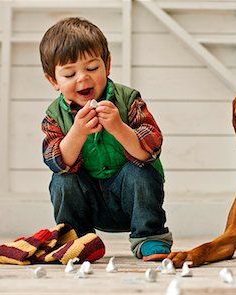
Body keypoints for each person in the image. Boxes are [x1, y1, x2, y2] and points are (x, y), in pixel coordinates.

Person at [39, 17, 172, 261]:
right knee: (62, 180)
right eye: (69, 74)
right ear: (53, 81)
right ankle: (77, 241)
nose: (82, 78)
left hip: (130, 197)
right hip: (89, 201)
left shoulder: (128, 99)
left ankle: (149, 236)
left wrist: (119, 128)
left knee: (141, 171)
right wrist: (77, 133)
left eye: (92, 68)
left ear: (107, 65)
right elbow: (57, 161)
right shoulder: (54, 116)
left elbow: (151, 149)